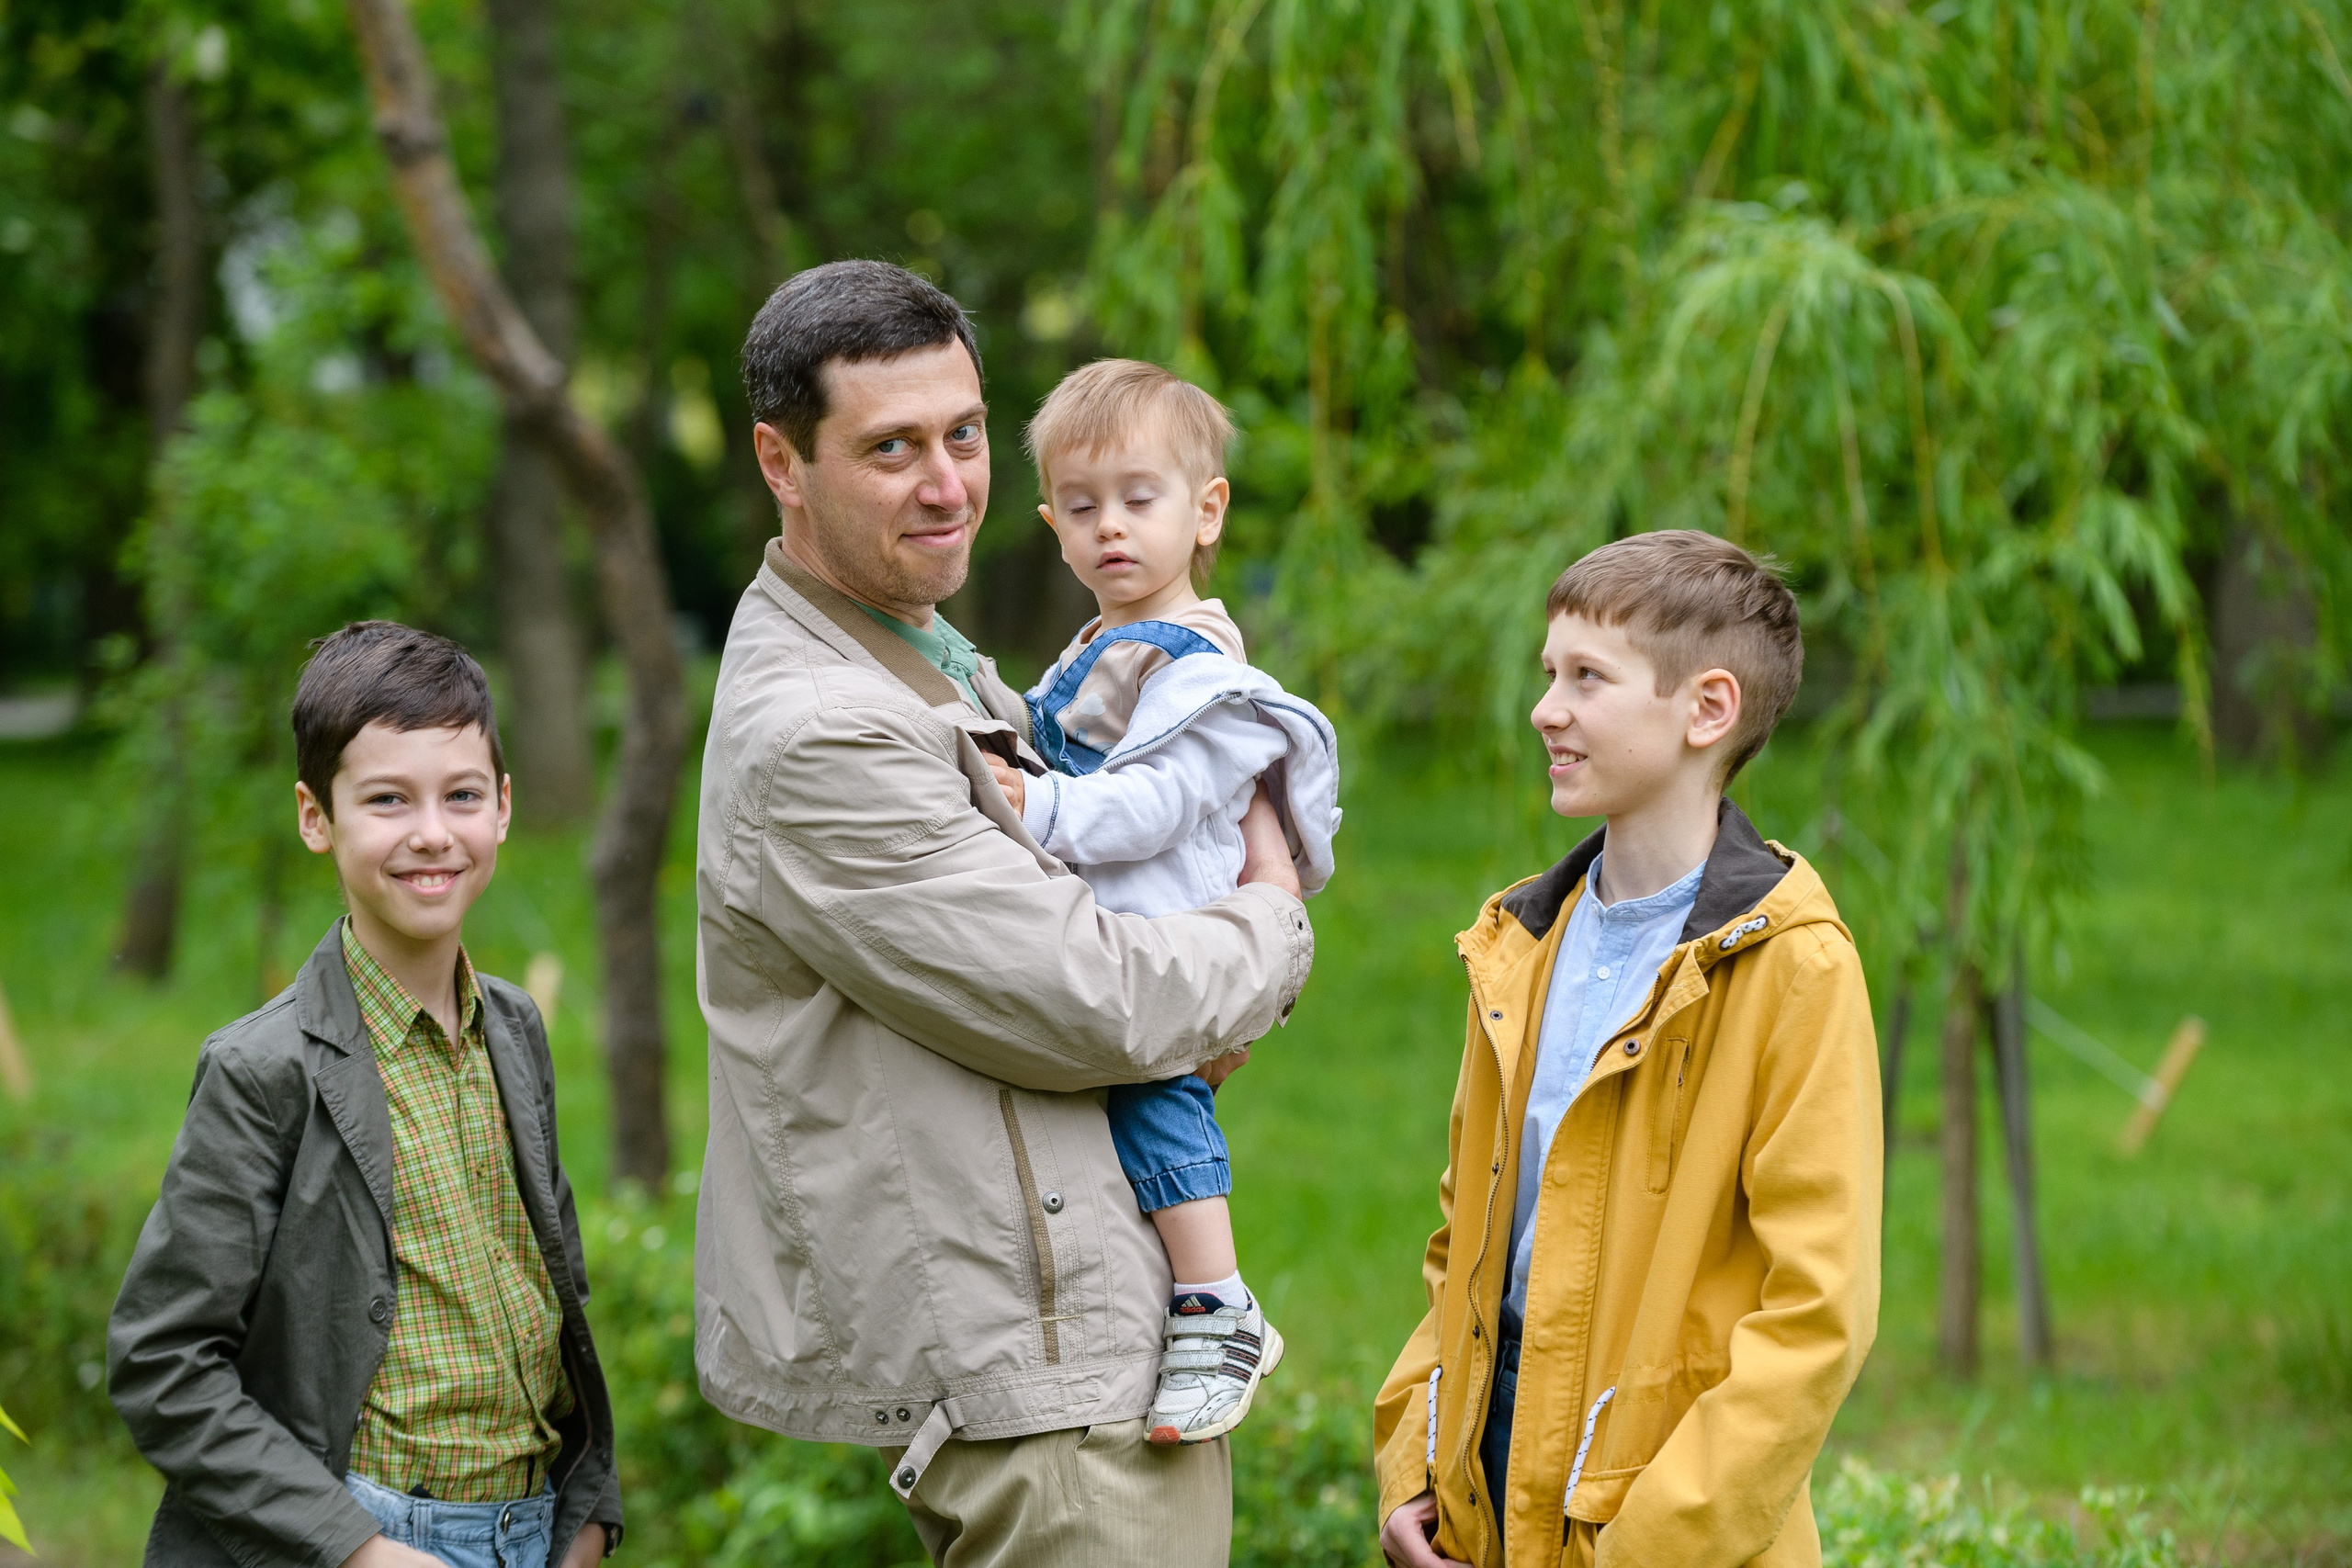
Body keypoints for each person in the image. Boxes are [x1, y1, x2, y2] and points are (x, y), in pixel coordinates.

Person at [695, 260, 1316, 1566]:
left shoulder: (921, 647)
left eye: (965, 435)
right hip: (1041, 1386)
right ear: (780, 459)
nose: (947, 483)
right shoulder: (821, 729)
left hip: (1083, 1335)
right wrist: (1270, 916)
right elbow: (1099, 999)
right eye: (892, 448)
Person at [1372, 532, 1881, 1568]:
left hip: (1667, 1517)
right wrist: (1413, 1467)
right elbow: (1460, 1244)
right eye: (1548, 674)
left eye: (1586, 679)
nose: (1544, 710)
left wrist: (1648, 1547)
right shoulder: (1516, 945)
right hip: (1482, 1491)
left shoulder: (1795, 969)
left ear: (1707, 710)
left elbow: (1816, 1316)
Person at [107, 622, 621, 1568]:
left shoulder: (514, 1031)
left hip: (534, 1532)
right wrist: (359, 1551)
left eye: (461, 795)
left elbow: (553, 1293)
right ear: (316, 817)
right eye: (387, 800)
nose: (432, 832)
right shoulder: (263, 1071)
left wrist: (588, 1515)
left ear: (502, 807)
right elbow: (161, 1366)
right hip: (368, 1539)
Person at [980, 357, 1340, 1447]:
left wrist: (1032, 808)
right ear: (1050, 523)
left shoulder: (1206, 676)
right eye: (1082, 509)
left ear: (1206, 511)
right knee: (1123, 1107)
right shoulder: (1095, 651)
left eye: (1140, 500)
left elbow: (1155, 801)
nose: (1111, 530)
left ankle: (1217, 1299)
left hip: (1174, 935)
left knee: (1153, 1095)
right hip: (1117, 936)